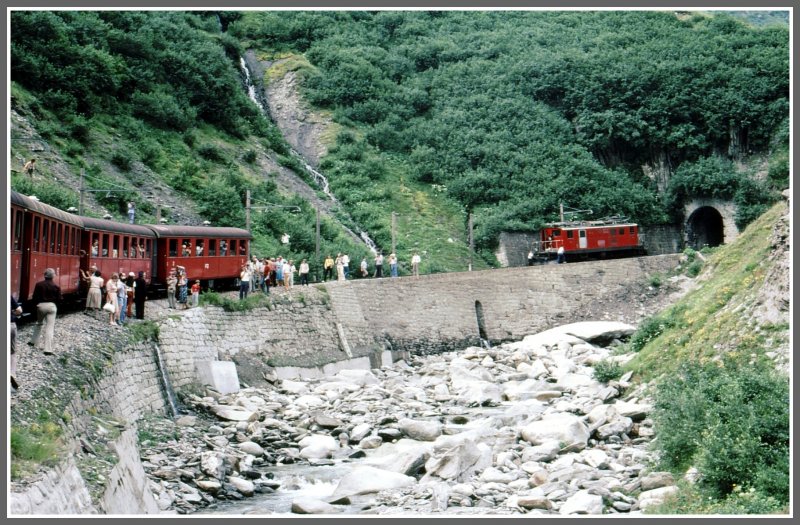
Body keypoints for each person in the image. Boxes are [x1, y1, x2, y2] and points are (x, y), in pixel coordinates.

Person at [10, 296, 23, 391]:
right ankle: (11, 373)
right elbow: (19, 310)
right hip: (11, 325)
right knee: (12, 352)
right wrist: (12, 312)